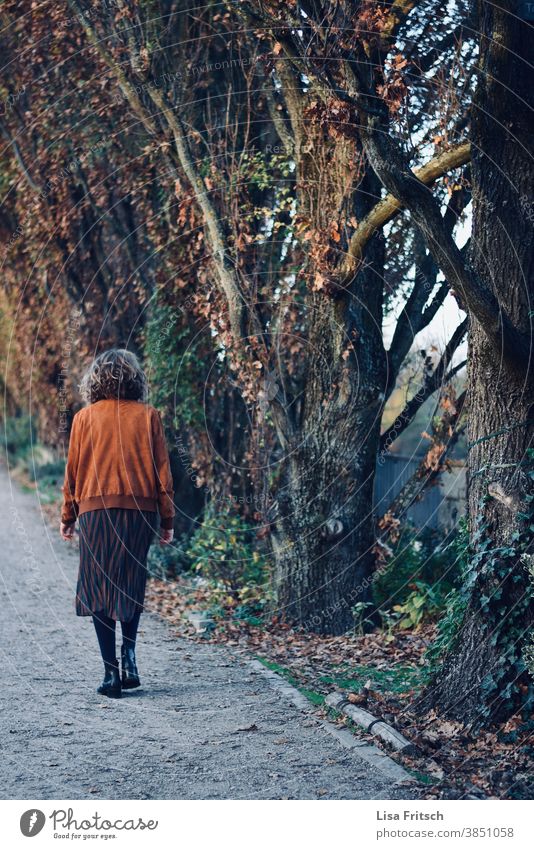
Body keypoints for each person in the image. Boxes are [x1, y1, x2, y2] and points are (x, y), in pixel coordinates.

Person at [60, 349, 175, 699]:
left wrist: (68, 515)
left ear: (95, 380)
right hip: (140, 512)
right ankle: (130, 656)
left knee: (99, 586)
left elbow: (73, 472)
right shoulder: (149, 416)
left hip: (95, 511)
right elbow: (163, 474)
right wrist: (167, 519)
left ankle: (111, 675)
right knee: (130, 582)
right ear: (134, 379)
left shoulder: (83, 418)